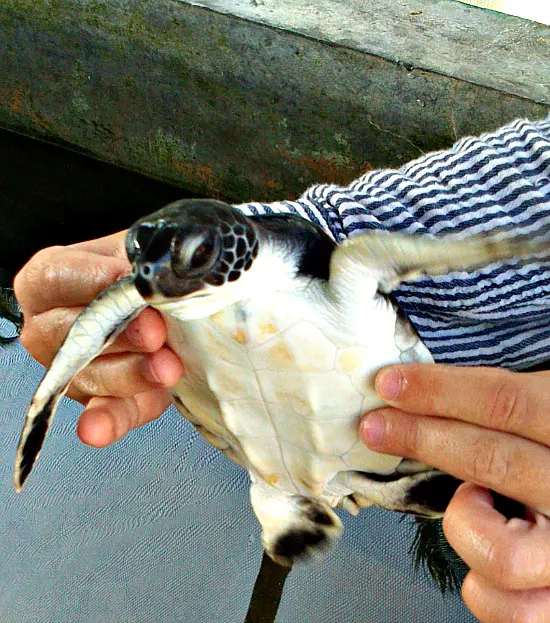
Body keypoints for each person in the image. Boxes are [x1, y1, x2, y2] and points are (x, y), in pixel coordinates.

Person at [12, 115, 550, 623]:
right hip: (321, 434)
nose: (154, 277)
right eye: (141, 260)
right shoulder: (171, 288)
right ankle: (294, 499)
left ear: (237, 247)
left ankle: (298, 502)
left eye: (197, 256)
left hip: (351, 437)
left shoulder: (350, 269)